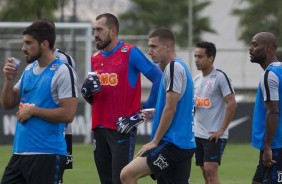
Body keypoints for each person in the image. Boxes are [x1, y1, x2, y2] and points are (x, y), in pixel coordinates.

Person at [0, 20, 78, 184]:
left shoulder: (63, 71)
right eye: (23, 43)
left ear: (44, 44)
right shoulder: (28, 70)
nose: (23, 48)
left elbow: (69, 114)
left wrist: (34, 110)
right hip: (20, 153)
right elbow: (7, 103)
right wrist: (8, 80)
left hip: (47, 154)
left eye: (29, 43)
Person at [90, 13, 162, 184]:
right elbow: (98, 96)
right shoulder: (95, 58)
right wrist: (87, 94)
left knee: (121, 181)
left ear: (113, 31)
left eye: (99, 29)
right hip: (98, 129)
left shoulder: (130, 52)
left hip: (121, 129)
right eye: (94, 30)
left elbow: (159, 78)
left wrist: (142, 115)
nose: (95, 34)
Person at [120, 27, 196, 184]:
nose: (149, 51)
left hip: (173, 144)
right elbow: (176, 107)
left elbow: (171, 108)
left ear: (168, 46)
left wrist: (155, 141)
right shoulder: (176, 68)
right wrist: (154, 113)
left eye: (153, 46)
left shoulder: (174, 68)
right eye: (149, 46)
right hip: (182, 144)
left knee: (127, 175)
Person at [193, 41, 236, 184]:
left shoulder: (220, 77)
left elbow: (231, 102)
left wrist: (221, 130)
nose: (196, 60)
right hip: (198, 134)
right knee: (205, 173)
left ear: (211, 58)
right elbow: (194, 107)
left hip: (214, 135)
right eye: (195, 56)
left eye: (200, 56)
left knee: (211, 170)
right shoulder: (196, 80)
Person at [249, 32, 282, 184]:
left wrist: (268, 147)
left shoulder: (270, 75)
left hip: (275, 146)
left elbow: (273, 111)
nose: (250, 49)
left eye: (255, 45)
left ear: (269, 48)